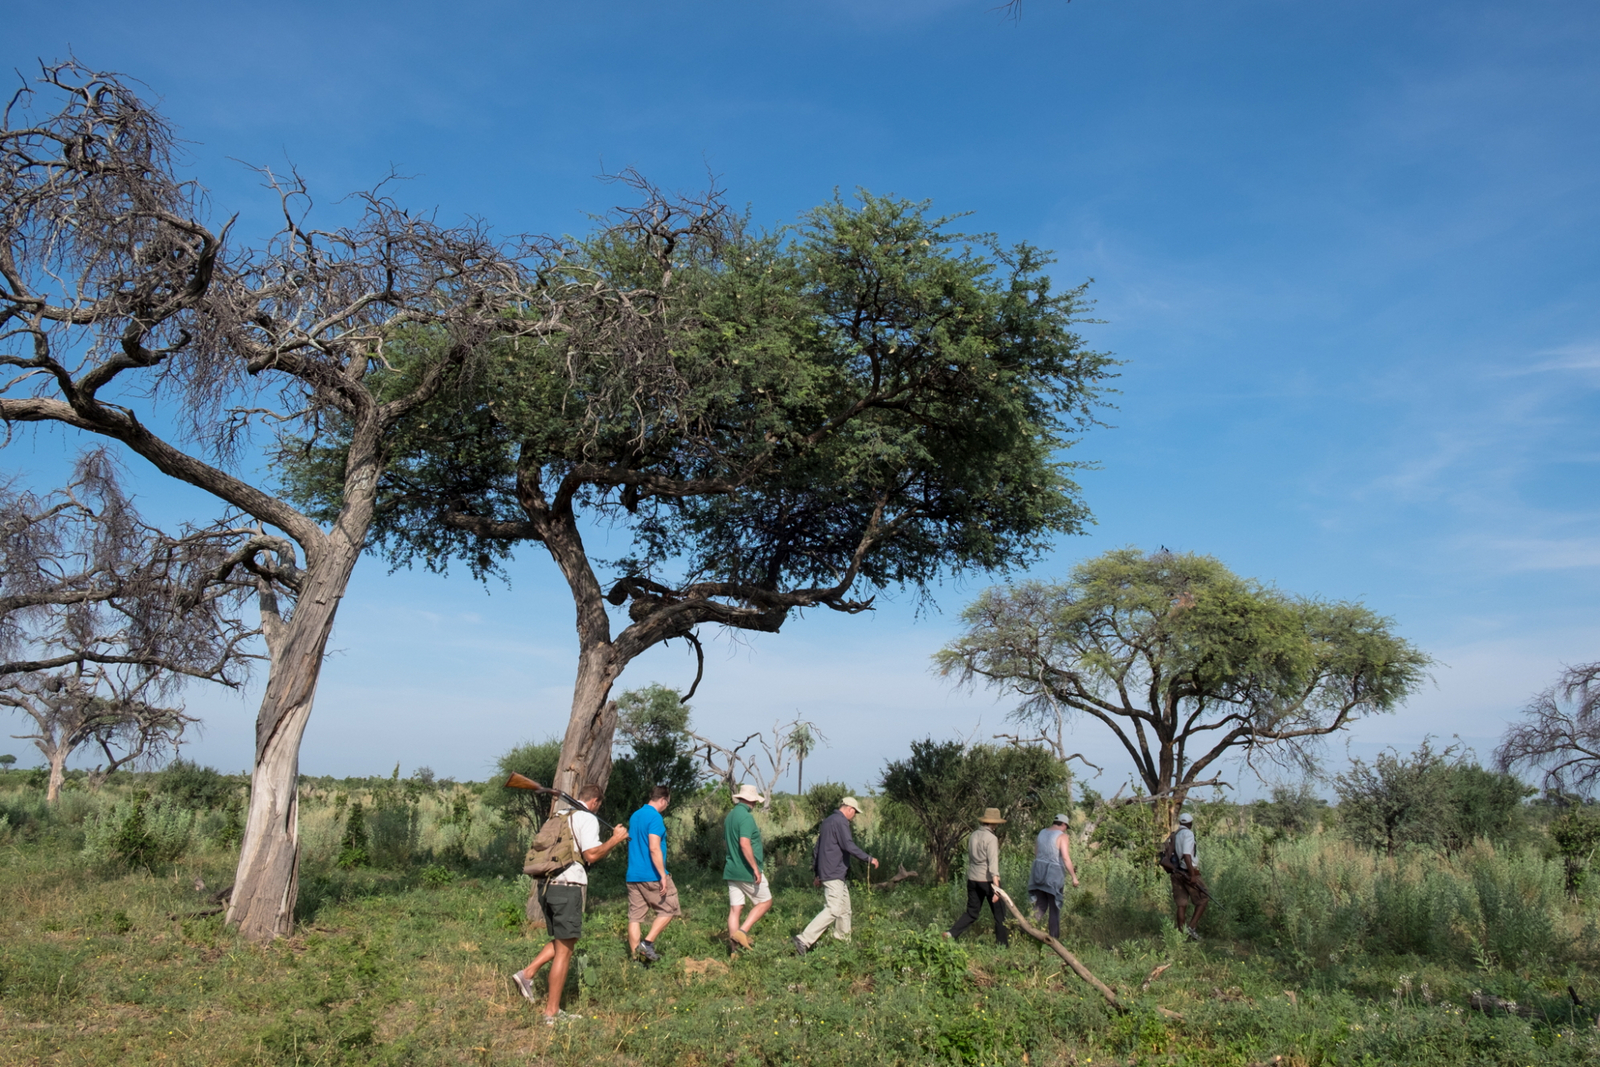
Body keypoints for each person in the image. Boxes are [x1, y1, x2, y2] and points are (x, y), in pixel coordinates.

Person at [510, 783, 628, 1025]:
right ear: (595, 801)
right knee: (565, 950)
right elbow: (591, 855)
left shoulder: (561, 815)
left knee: (563, 940)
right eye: (598, 804)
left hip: (546, 886)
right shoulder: (587, 818)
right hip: (568, 886)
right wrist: (615, 840)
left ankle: (527, 974)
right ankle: (551, 1013)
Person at [794, 795, 877, 955]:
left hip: (832, 872)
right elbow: (848, 845)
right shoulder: (841, 822)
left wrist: (818, 873)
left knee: (845, 910)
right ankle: (804, 939)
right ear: (849, 809)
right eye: (855, 813)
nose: (854, 817)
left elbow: (817, 848)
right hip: (834, 872)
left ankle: (842, 945)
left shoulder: (828, 821)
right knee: (833, 908)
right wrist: (868, 858)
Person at [625, 785, 680, 963]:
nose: (666, 806)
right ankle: (647, 943)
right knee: (669, 908)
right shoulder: (655, 818)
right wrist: (663, 875)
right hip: (651, 875)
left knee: (635, 917)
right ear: (663, 800)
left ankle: (636, 960)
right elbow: (654, 848)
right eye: (667, 802)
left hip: (633, 875)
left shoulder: (635, 815)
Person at [945, 807, 1010, 946]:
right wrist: (997, 889)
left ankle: (951, 933)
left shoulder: (973, 835)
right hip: (986, 880)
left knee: (971, 913)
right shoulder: (991, 838)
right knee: (1000, 915)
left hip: (972, 878)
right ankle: (1002, 945)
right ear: (993, 823)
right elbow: (993, 865)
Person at [723, 782, 771, 950]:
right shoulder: (746, 817)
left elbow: (728, 842)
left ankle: (734, 950)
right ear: (752, 801)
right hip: (745, 870)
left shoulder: (730, 816)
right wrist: (755, 869)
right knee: (765, 902)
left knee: (736, 909)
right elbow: (744, 843)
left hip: (731, 868)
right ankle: (741, 932)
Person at [1025, 813, 1079, 940]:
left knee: (1041, 905)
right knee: (1054, 907)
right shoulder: (1062, 836)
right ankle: (1054, 939)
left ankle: (1025, 929)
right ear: (1064, 824)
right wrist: (1074, 877)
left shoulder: (1042, 832)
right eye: (1066, 826)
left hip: (1038, 872)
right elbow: (1065, 857)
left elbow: (1036, 853)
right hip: (1053, 875)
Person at [1169, 811, 1208, 940]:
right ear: (1190, 824)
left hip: (1176, 873)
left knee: (1181, 904)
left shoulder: (1173, 835)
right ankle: (1191, 928)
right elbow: (1187, 855)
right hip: (1187, 872)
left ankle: (1181, 934)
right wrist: (1192, 875)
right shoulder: (1188, 834)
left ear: (1180, 823)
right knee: (1203, 898)